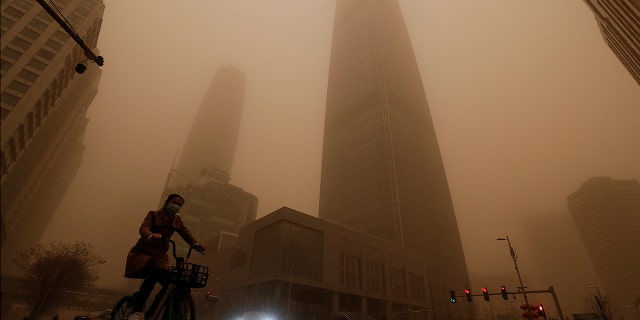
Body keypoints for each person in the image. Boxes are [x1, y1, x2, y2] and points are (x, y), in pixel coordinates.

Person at [124, 193, 206, 320]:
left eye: (179, 205)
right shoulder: (153, 214)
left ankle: (151, 313)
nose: (176, 206)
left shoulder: (177, 220)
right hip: (143, 253)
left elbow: (185, 233)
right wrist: (151, 235)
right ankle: (137, 311)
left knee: (171, 282)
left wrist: (196, 244)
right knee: (154, 270)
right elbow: (143, 228)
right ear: (167, 202)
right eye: (174, 202)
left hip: (160, 257)